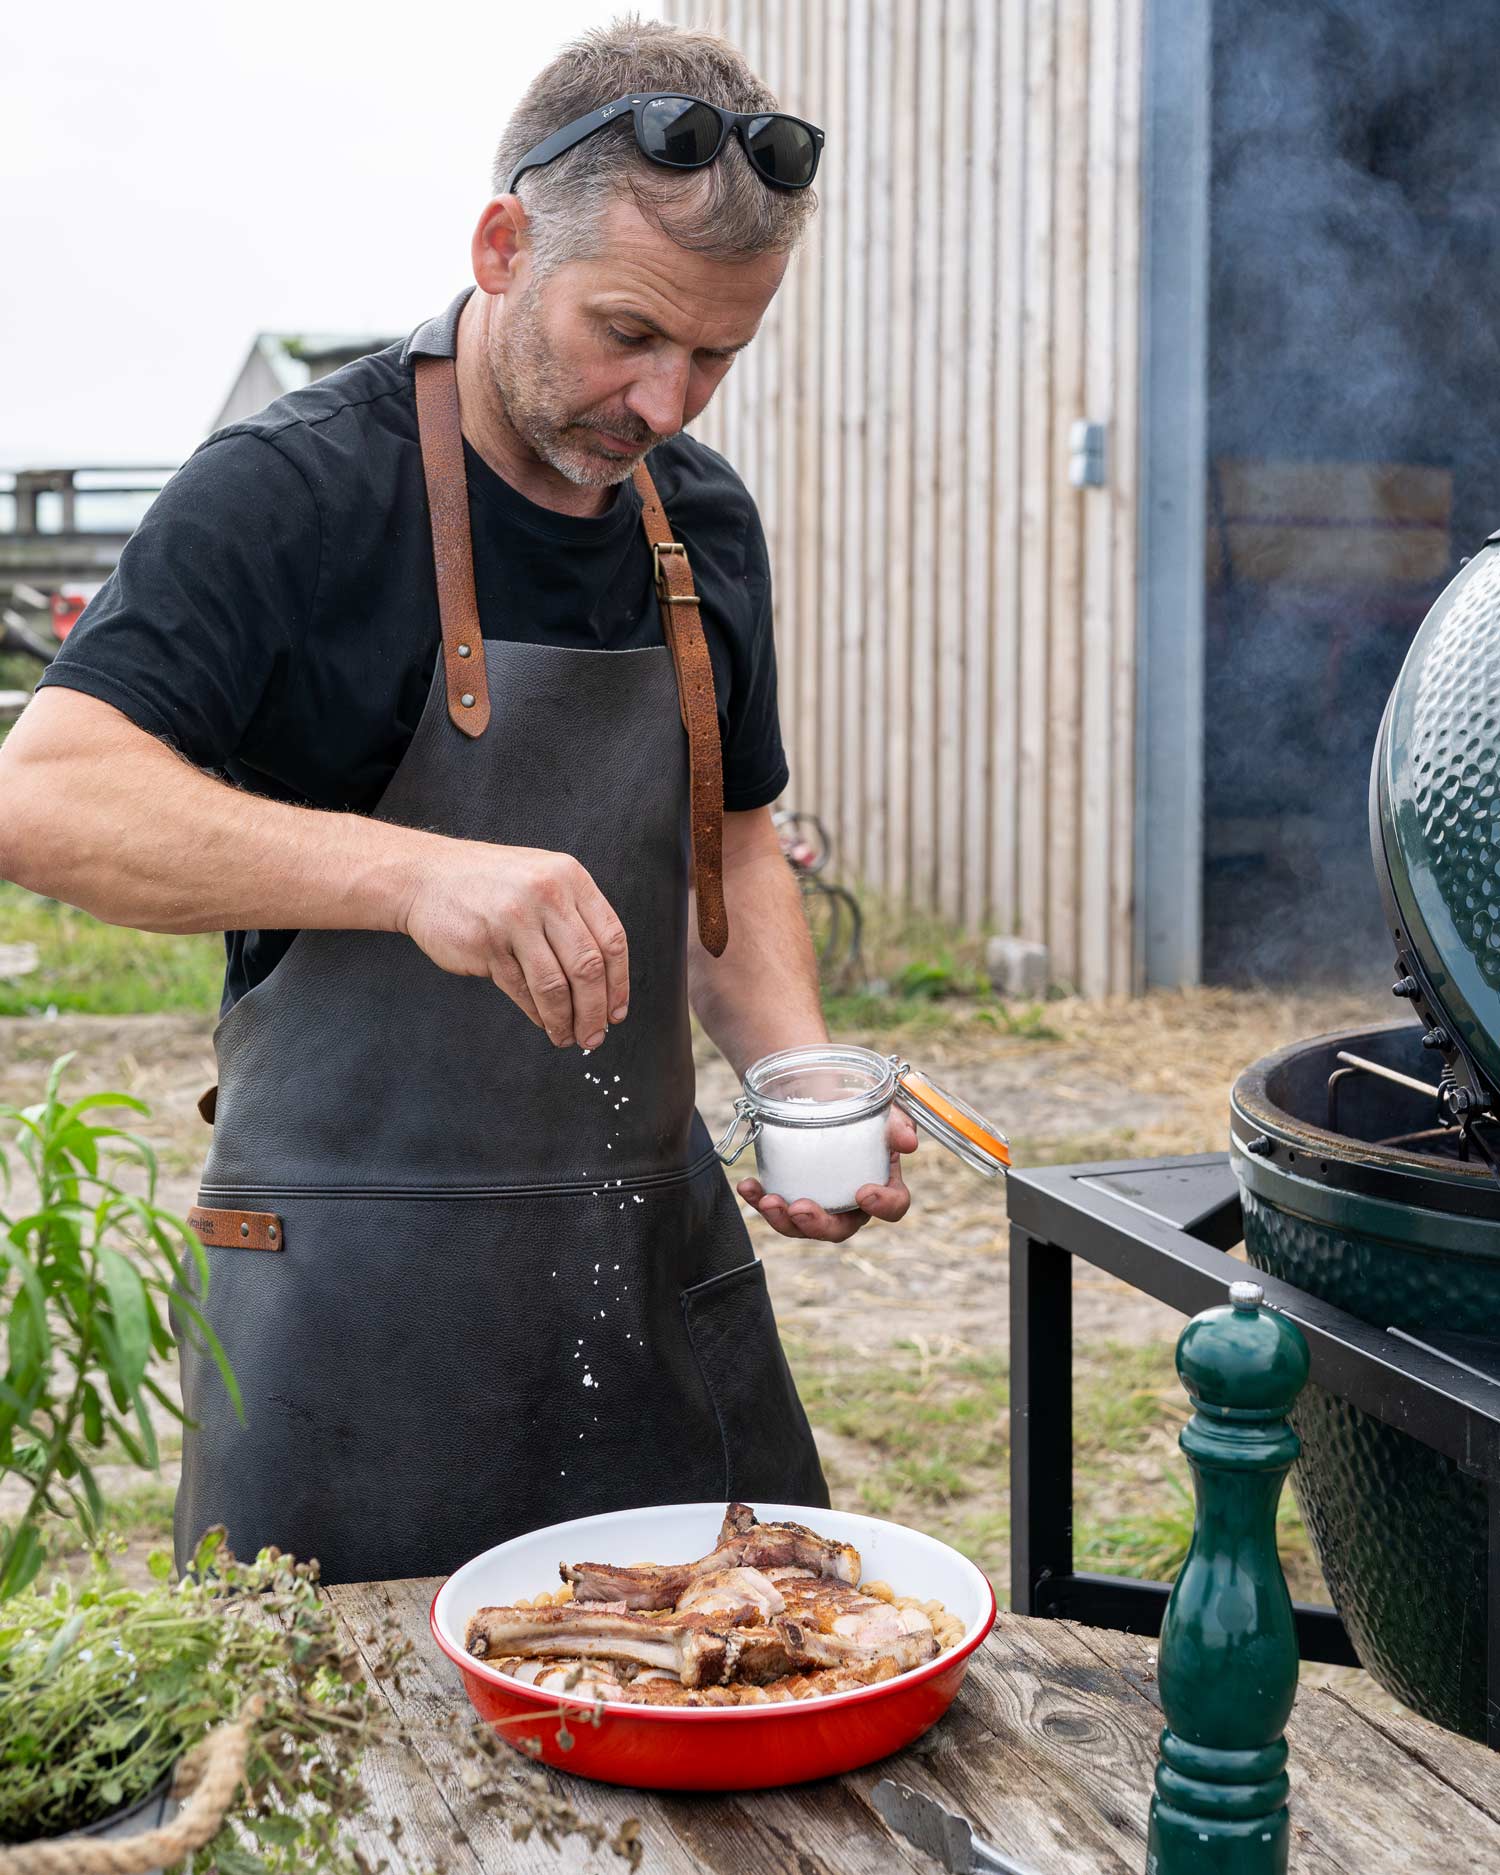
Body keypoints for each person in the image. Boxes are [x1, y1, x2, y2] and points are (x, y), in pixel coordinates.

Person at [0, 17, 919, 1584]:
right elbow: (47, 796)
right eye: (627, 331)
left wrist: (794, 1079)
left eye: (718, 354)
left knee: (751, 1702)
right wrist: (419, 875)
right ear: (502, 245)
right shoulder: (293, 492)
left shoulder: (701, 524)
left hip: (646, 1264)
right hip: (348, 1300)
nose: (669, 401)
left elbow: (735, 838)